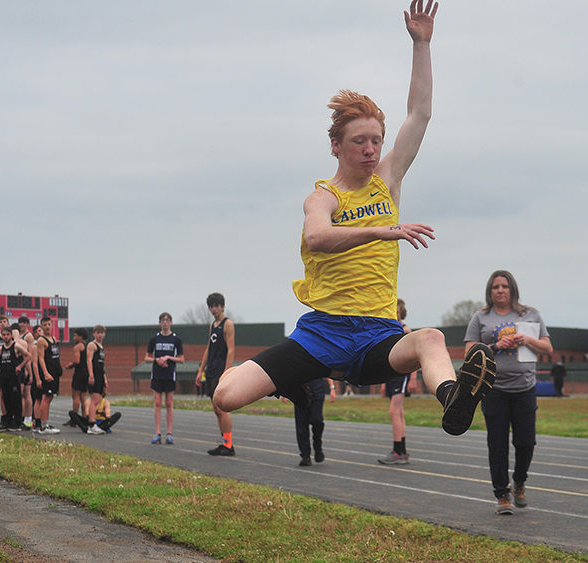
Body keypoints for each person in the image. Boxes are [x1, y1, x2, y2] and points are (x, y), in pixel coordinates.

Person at [212, 1, 496, 442]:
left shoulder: (387, 180)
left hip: (378, 333)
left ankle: (454, 399)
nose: (370, 150)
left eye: (376, 141)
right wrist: (381, 231)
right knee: (225, 396)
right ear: (335, 146)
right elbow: (318, 237)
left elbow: (420, 113)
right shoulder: (323, 195)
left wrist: (421, 45)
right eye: (359, 141)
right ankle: (295, 382)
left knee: (431, 339)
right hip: (324, 331)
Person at [464, 270, 552, 515]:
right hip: (493, 390)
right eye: (495, 287)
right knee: (497, 443)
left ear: (512, 289)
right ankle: (502, 494)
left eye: (504, 286)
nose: (500, 290)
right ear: (489, 292)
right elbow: (470, 353)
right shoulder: (480, 317)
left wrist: (528, 341)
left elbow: (548, 348)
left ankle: (520, 481)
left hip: (524, 387)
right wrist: (494, 346)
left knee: (526, 442)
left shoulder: (530, 314)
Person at [198, 293, 237, 456]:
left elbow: (231, 349)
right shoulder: (213, 325)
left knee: (222, 408)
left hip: (221, 370)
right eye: (211, 306)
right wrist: (201, 370)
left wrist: (226, 372)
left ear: (222, 306)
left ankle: (229, 445)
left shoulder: (228, 324)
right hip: (211, 370)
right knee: (216, 409)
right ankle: (224, 442)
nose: (213, 309)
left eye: (216, 306)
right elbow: (209, 348)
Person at [378, 299, 413, 465]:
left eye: (397, 312)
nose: (394, 314)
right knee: (398, 412)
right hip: (391, 375)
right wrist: (383, 382)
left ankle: (398, 450)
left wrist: (412, 378)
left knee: (394, 411)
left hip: (402, 375)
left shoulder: (405, 331)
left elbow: (414, 356)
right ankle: (402, 450)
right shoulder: (388, 330)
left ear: (401, 313)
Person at [145, 312, 184, 445]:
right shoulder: (154, 339)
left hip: (169, 375)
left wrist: (168, 358)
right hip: (157, 374)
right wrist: (157, 360)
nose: (165, 323)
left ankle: (169, 433)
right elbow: (147, 357)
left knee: (168, 403)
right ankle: (157, 433)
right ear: (160, 323)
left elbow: (182, 359)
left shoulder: (176, 339)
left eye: (167, 320)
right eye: (162, 320)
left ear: (171, 322)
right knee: (157, 402)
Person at [294, 378, 330, 466]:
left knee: (317, 420)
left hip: (317, 388)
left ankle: (317, 446)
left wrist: (332, 388)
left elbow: (329, 369)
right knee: (301, 425)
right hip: (300, 390)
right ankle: (305, 456)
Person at [0, 326, 23, 431]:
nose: (6, 337)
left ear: (11, 335)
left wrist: (20, 366)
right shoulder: (1, 348)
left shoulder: (16, 346)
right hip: (4, 377)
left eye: (7, 335)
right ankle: (9, 421)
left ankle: (18, 423)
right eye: (4, 335)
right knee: (7, 400)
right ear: (1, 336)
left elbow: (28, 355)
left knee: (16, 400)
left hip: (14, 377)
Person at [63, 327, 90, 427]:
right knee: (83, 397)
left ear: (80, 336)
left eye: (75, 335)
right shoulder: (88, 346)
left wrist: (70, 365)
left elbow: (77, 361)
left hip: (79, 373)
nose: (73, 337)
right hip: (86, 372)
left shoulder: (78, 346)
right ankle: (84, 417)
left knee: (75, 396)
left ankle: (74, 419)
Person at [84, 325, 108, 435]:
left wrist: (105, 379)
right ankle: (92, 424)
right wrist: (91, 375)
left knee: (98, 400)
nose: (100, 335)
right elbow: (89, 360)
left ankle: (93, 423)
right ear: (94, 333)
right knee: (94, 400)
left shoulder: (102, 347)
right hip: (94, 375)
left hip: (100, 375)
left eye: (102, 333)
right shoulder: (92, 345)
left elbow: (102, 365)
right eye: (98, 332)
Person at [15, 316, 36, 430]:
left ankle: (28, 418)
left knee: (26, 394)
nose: (22, 324)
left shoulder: (28, 336)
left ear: (27, 324)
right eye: (20, 322)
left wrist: (29, 370)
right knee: (21, 394)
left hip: (27, 366)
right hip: (22, 366)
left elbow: (30, 353)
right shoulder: (19, 336)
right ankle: (23, 417)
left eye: (24, 322)